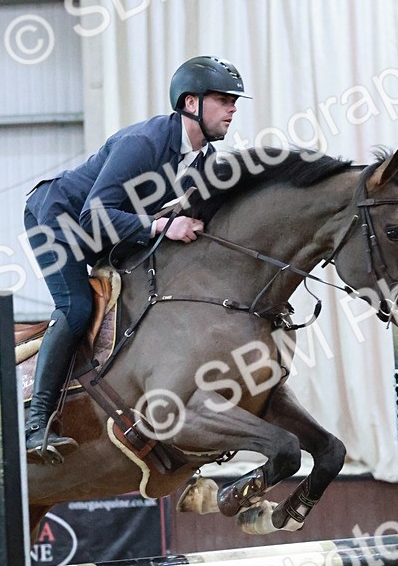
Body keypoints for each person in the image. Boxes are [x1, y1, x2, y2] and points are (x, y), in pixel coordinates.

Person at [22, 55, 249, 465]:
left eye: (234, 102)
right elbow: (94, 214)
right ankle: (35, 423)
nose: (232, 109)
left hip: (110, 232)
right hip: (58, 215)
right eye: (223, 100)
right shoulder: (143, 142)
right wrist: (162, 227)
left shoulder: (204, 160)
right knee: (77, 307)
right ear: (190, 103)